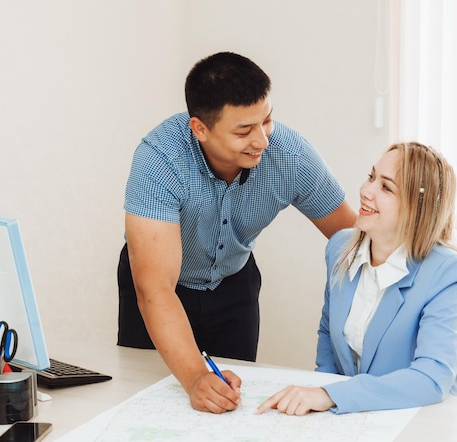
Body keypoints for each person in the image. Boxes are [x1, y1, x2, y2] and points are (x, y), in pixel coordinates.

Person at [116, 52, 356, 414]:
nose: (261, 140)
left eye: (267, 120)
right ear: (200, 129)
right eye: (244, 130)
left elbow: (353, 240)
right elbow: (155, 290)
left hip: (234, 284)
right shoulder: (159, 160)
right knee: (152, 402)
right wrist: (195, 376)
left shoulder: (289, 154)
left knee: (230, 403)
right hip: (163, 287)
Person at [256, 142, 457, 416]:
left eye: (386, 187)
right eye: (371, 177)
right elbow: (327, 334)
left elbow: (432, 377)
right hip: (360, 417)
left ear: (419, 208)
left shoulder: (446, 271)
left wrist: (331, 395)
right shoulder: (339, 248)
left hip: (428, 417)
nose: (365, 191)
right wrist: (323, 393)